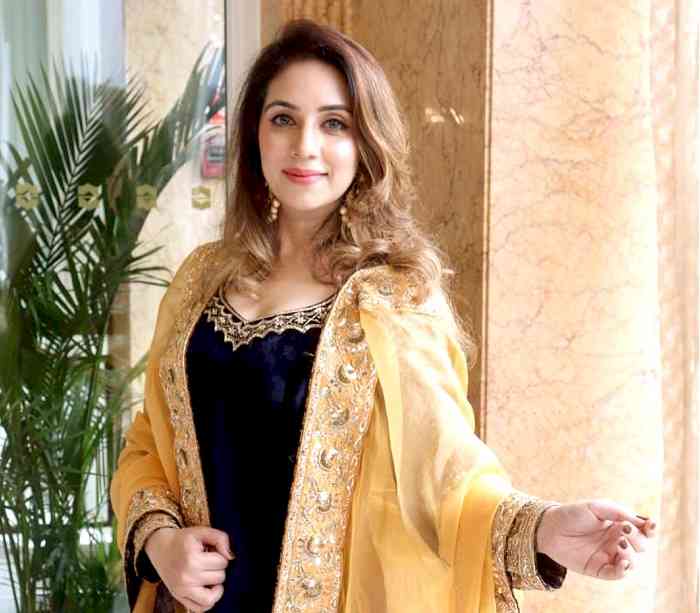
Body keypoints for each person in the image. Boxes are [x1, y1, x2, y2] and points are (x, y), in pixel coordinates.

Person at [110, 18, 656, 613]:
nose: (305, 146)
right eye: (283, 119)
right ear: (254, 134)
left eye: (335, 124)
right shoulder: (199, 281)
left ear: (365, 146)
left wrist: (545, 529)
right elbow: (149, 442)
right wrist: (159, 541)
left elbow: (445, 476)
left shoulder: (395, 301)